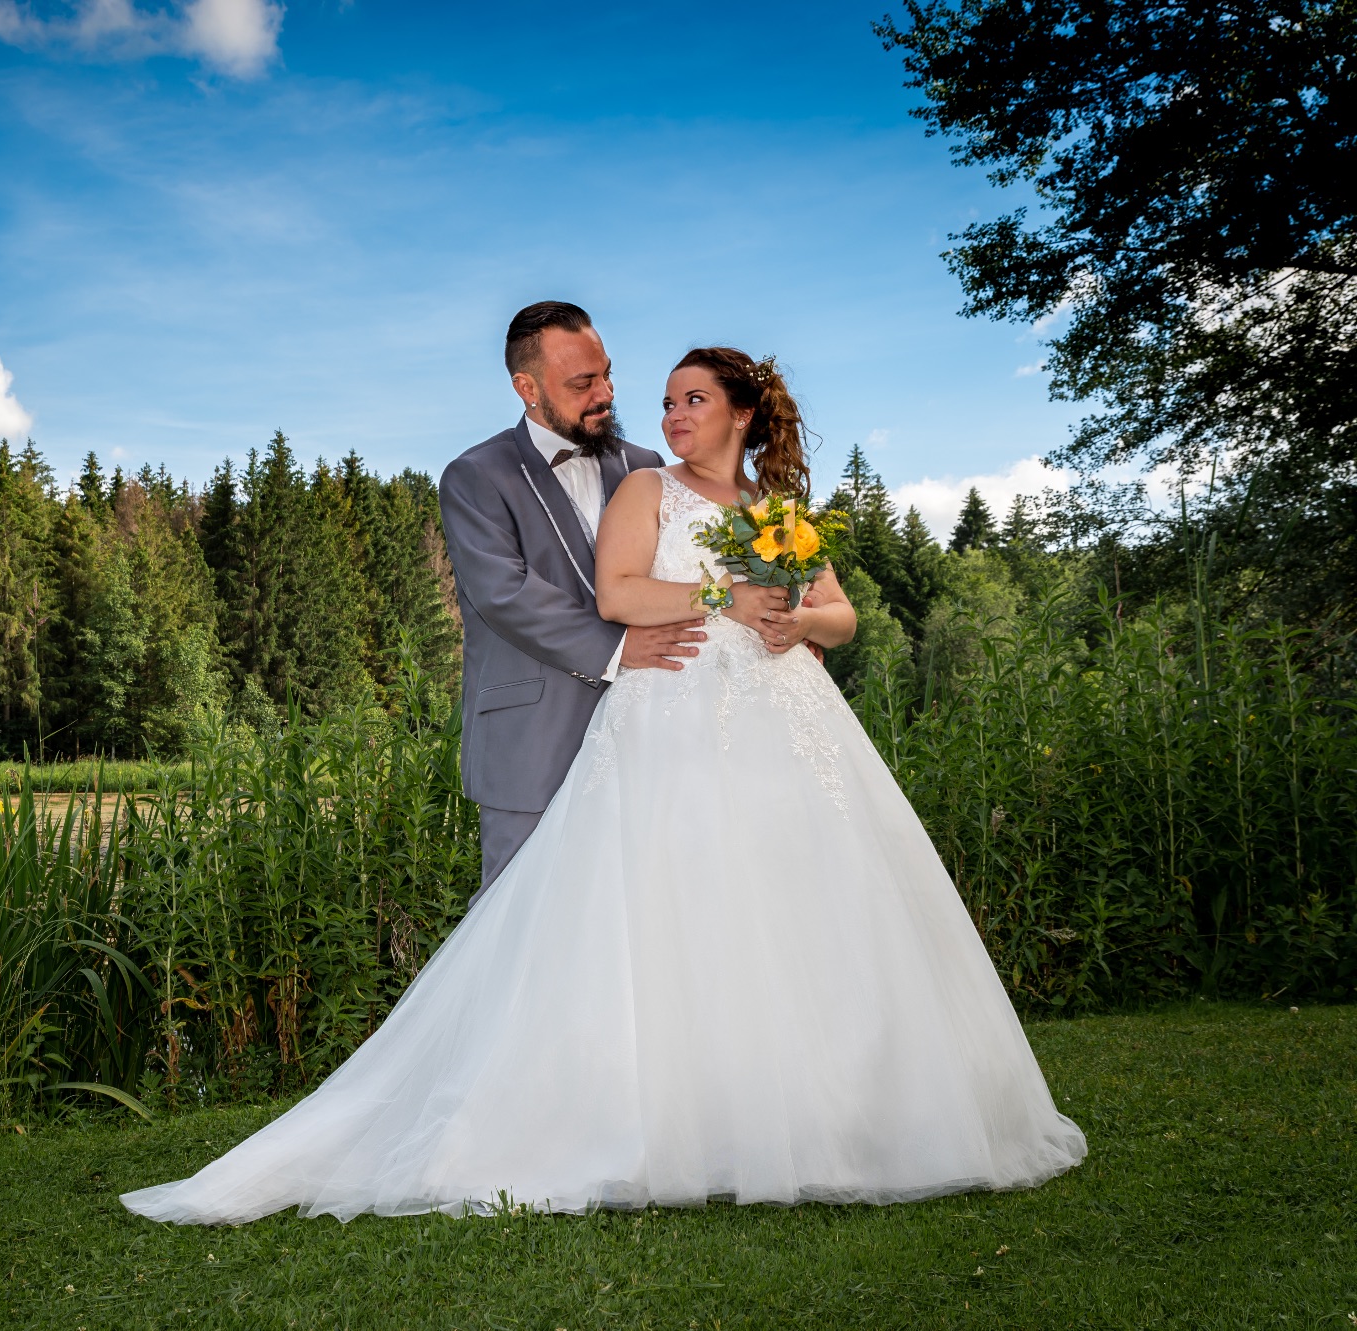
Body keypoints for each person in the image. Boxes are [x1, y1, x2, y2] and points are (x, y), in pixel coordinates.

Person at [120, 343, 1086, 1225]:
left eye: (691, 399)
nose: (668, 414)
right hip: (673, 714)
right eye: (664, 400)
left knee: (796, 907)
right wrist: (726, 597)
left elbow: (841, 612)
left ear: (743, 414)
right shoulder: (646, 491)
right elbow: (615, 595)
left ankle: (819, 1110)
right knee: (663, 913)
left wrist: (799, 623)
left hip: (787, 722)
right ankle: (636, 1117)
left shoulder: (781, 513)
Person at [434, 301, 707, 898]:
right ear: (526, 388)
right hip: (530, 743)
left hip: (649, 737)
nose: (604, 392)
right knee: (517, 927)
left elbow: (687, 576)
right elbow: (504, 594)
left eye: (607, 373)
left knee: (639, 919)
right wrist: (621, 646)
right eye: (583, 383)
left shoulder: (648, 467)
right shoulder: (474, 476)